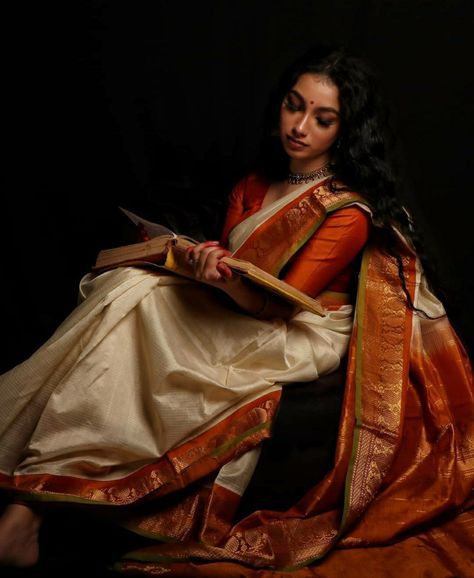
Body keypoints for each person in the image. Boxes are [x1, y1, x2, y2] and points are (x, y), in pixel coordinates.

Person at [0, 45, 472, 576]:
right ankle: (29, 503)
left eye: (323, 119)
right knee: (130, 285)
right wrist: (195, 260)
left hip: (302, 327)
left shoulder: (348, 210)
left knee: (134, 296)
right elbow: (239, 266)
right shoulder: (251, 183)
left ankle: (28, 504)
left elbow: (277, 303)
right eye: (294, 106)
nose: (301, 126)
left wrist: (218, 275)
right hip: (239, 303)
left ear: (345, 130)